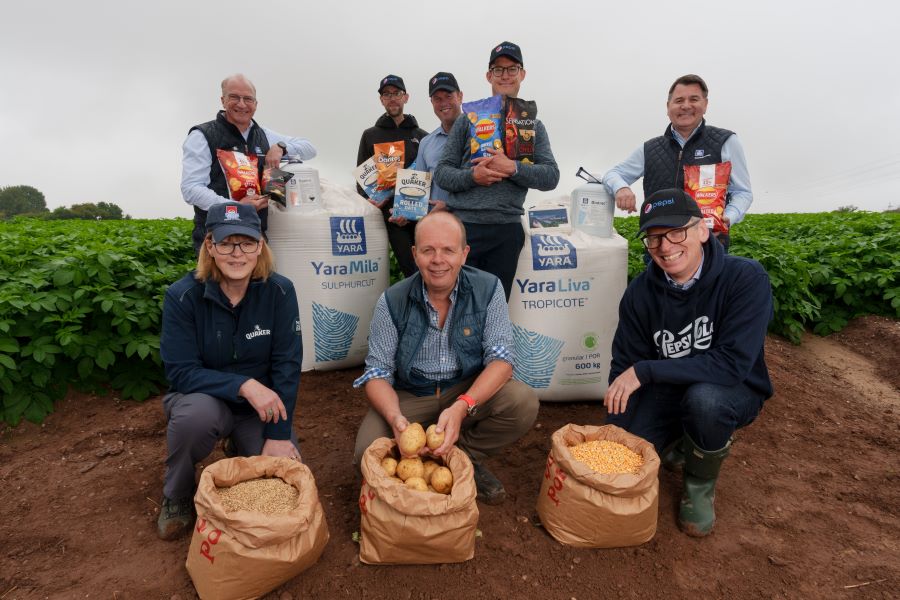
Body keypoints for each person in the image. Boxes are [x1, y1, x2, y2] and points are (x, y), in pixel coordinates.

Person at [604, 188, 773, 537]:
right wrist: (615, 435)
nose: (665, 247)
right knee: (624, 455)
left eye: (676, 232)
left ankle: (699, 485)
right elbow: (625, 365)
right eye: (654, 238)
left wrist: (646, 371)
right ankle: (683, 441)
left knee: (704, 402)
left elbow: (731, 363)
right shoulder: (640, 293)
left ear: (702, 231)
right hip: (667, 389)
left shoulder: (745, 278)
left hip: (732, 388)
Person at [352, 210, 538, 505]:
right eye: (428, 250)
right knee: (366, 452)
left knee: (521, 401)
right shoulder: (393, 301)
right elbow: (377, 373)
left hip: (464, 388)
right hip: (411, 393)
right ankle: (423, 463)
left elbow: (501, 360)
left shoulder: (488, 289)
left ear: (464, 254)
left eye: (448, 250)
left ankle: (464, 456)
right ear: (415, 254)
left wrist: (463, 406)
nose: (438, 260)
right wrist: (396, 419)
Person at [157, 201, 303, 540]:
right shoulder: (182, 296)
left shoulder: (280, 291)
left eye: (247, 242)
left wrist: (279, 435)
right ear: (210, 246)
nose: (237, 254)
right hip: (204, 400)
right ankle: (177, 493)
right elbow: (180, 371)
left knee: (286, 476)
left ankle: (242, 443)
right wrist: (244, 385)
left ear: (260, 246)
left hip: (259, 410)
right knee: (194, 419)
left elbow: (287, 365)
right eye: (226, 243)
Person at [434, 41, 560, 299]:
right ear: (488, 75)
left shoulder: (532, 125)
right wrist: (473, 176)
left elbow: (551, 176)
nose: (505, 75)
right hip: (464, 229)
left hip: (507, 231)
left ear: (522, 74)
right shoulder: (466, 120)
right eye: (498, 69)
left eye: (512, 69)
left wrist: (512, 167)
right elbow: (442, 173)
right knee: (455, 305)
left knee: (494, 307)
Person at [602, 74, 752, 250]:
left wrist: (728, 217)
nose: (686, 106)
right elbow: (613, 174)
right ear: (668, 107)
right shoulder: (649, 149)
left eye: (694, 99)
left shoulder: (726, 141)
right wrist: (621, 188)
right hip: (661, 246)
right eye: (679, 100)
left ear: (705, 104)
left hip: (709, 243)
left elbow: (742, 192)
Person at [181, 74, 317, 254]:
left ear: (256, 104)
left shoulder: (265, 135)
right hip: (217, 238)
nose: (242, 104)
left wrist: (281, 148)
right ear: (223, 100)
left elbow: (310, 148)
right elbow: (191, 188)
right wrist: (235, 207)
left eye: (248, 99)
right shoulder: (202, 135)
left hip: (257, 237)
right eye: (234, 97)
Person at [356, 74, 428, 278]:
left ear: (406, 97)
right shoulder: (370, 135)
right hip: (390, 219)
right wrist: (370, 199)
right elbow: (362, 179)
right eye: (387, 94)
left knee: (429, 268)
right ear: (381, 100)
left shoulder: (423, 136)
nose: (392, 98)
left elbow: (429, 176)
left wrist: (413, 211)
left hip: (419, 216)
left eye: (397, 93)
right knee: (411, 272)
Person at [411, 71, 464, 213]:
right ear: (432, 102)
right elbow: (418, 190)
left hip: (473, 222)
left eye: (448, 96)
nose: (444, 103)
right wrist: (406, 212)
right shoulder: (425, 143)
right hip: (437, 222)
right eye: (437, 98)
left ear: (460, 96)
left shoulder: (480, 135)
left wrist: (450, 205)